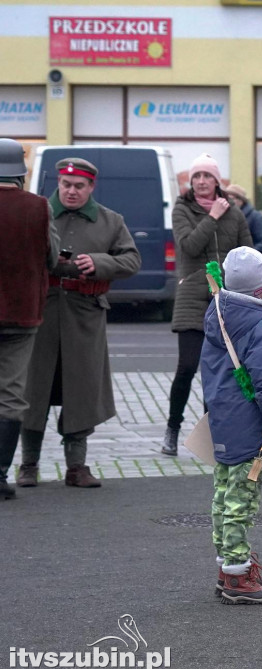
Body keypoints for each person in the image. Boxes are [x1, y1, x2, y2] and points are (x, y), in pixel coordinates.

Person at [16, 157, 141, 488]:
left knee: (81, 391)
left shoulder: (110, 221)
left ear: (91, 187)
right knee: (33, 389)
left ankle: (77, 466)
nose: (71, 191)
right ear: (58, 183)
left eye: (78, 186)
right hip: (39, 311)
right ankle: (28, 464)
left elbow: (131, 259)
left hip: (84, 315)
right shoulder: (37, 212)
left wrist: (97, 262)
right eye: (66, 185)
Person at [202, 246, 262, 604]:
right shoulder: (259, 324)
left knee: (223, 493)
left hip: (223, 416)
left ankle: (229, 565)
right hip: (248, 422)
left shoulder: (217, 312)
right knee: (242, 498)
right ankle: (238, 576)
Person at [161, 154, 252, 457]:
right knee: (187, 367)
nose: (201, 182)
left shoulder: (234, 213)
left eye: (207, 176)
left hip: (225, 300)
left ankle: (213, 432)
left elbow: (246, 253)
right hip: (192, 297)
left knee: (219, 372)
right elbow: (188, 246)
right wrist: (211, 216)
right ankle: (172, 429)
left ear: (217, 181)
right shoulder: (182, 209)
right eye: (196, 176)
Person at [0, 139, 59, 499]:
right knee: (10, 395)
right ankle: (0, 475)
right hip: (21, 314)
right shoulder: (38, 207)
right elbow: (51, 257)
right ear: (21, 174)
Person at [224, 184, 262, 254]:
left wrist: (248, 255)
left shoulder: (254, 216)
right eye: (225, 198)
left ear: (241, 200)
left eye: (231, 198)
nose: (227, 201)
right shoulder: (223, 215)